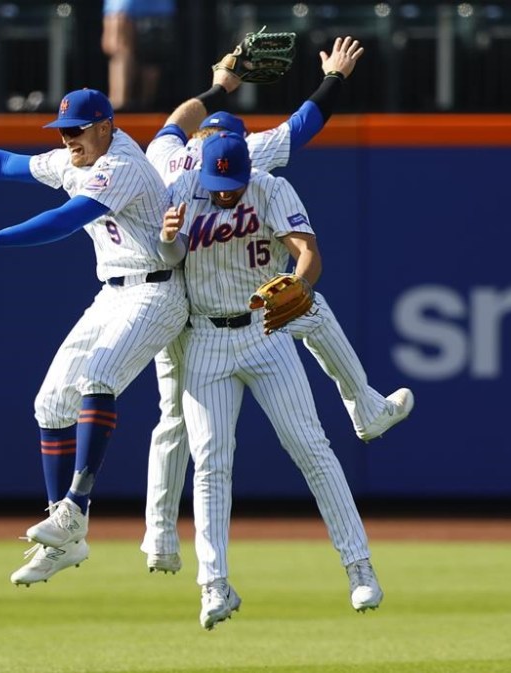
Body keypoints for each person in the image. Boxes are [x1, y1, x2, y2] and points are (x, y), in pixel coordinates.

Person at [0, 88, 188, 585]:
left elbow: (66, 220)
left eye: (77, 130)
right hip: (113, 291)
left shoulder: (121, 165)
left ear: (106, 126)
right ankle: (66, 537)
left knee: (99, 375)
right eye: (62, 131)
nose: (68, 140)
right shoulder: (77, 157)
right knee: (49, 404)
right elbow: (5, 164)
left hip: (158, 293)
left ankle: (76, 506)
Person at [141, 37, 414, 576]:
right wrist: (335, 76)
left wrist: (220, 86)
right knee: (191, 431)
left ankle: (159, 539)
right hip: (189, 302)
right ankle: (365, 404)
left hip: (186, 303)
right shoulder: (248, 152)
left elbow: (177, 118)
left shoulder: (169, 155)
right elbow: (307, 122)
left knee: (172, 422)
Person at [157, 131, 384, 629]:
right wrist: (169, 238)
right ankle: (213, 585)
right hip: (205, 338)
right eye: (216, 183)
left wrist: (300, 285)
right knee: (211, 462)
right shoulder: (179, 189)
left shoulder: (270, 188)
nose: (224, 192)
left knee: (311, 447)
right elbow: (169, 262)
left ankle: (359, 567)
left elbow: (309, 254)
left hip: (264, 328)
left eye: (231, 183)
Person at [101, 0, 176, 111]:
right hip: (155, 9)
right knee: (148, 59)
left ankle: (121, 107)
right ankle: (140, 108)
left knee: (122, 52)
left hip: (124, 7)